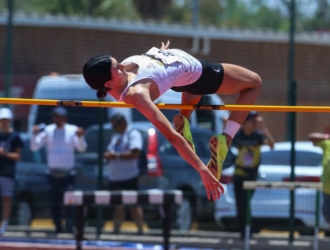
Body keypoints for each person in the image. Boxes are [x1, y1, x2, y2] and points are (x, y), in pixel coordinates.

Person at [82, 41, 262, 200]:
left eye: (117, 62)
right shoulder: (138, 95)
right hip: (198, 73)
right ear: (108, 84)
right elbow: (171, 136)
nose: (121, 65)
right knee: (254, 82)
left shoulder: (123, 72)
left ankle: (185, 120)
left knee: (189, 83)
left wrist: (158, 54)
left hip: (181, 75)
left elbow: (144, 63)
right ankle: (226, 140)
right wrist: (202, 170)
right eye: (117, 68)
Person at [30, 107, 87, 234]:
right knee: (53, 203)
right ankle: (58, 227)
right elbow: (34, 147)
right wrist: (34, 134)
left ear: (65, 118)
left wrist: (80, 137)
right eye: (55, 116)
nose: (56, 119)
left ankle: (69, 227)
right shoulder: (48, 130)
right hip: (52, 174)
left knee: (69, 202)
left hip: (68, 174)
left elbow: (82, 148)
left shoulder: (72, 130)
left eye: (59, 116)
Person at [231, 111, 274, 239]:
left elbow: (272, 145)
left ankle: (248, 231)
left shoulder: (258, 136)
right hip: (239, 174)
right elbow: (226, 142)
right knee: (239, 205)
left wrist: (263, 128)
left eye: (256, 121)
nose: (255, 124)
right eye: (252, 121)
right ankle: (242, 233)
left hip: (251, 176)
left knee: (245, 203)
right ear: (245, 123)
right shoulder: (239, 136)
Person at [104, 113, 144, 235]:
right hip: (115, 177)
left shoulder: (133, 134)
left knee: (133, 205)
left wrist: (116, 156)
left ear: (122, 123)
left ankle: (141, 231)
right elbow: (110, 151)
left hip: (129, 176)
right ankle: (116, 232)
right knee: (118, 206)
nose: (114, 128)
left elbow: (135, 153)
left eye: (115, 125)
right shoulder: (116, 136)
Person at [0, 108, 24, 234]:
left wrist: (5, 153)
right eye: (2, 119)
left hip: (7, 172)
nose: (4, 122)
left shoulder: (15, 136)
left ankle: (4, 224)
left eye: (6, 119)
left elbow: (18, 156)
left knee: (6, 199)